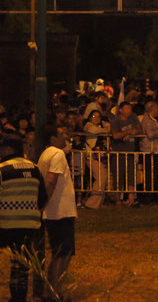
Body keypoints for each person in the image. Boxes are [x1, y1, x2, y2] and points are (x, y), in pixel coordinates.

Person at [0, 135, 47, 302]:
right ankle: (19, 298)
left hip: (5, 224)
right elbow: (42, 198)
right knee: (20, 263)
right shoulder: (34, 169)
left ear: (8, 150)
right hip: (29, 225)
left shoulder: (2, 169)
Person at [38, 124, 78, 301]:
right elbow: (51, 181)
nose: (65, 136)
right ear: (53, 138)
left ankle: (50, 289)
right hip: (60, 211)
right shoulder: (57, 154)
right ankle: (54, 291)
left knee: (58, 251)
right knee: (63, 252)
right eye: (61, 134)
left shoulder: (44, 155)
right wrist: (43, 203)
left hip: (53, 211)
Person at [110, 101, 141, 206]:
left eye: (130, 108)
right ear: (121, 110)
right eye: (126, 108)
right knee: (119, 175)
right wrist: (128, 132)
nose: (129, 110)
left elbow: (139, 128)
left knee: (131, 175)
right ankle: (118, 199)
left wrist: (135, 131)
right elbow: (115, 135)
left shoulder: (133, 118)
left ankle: (131, 198)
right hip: (119, 152)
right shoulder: (116, 121)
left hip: (131, 152)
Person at [83, 110, 110, 209]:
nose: (97, 118)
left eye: (99, 116)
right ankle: (91, 203)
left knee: (102, 178)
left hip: (99, 156)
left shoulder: (99, 127)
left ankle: (97, 202)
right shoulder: (88, 126)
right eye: (94, 116)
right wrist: (106, 129)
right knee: (101, 177)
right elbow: (94, 131)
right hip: (91, 156)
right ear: (90, 117)